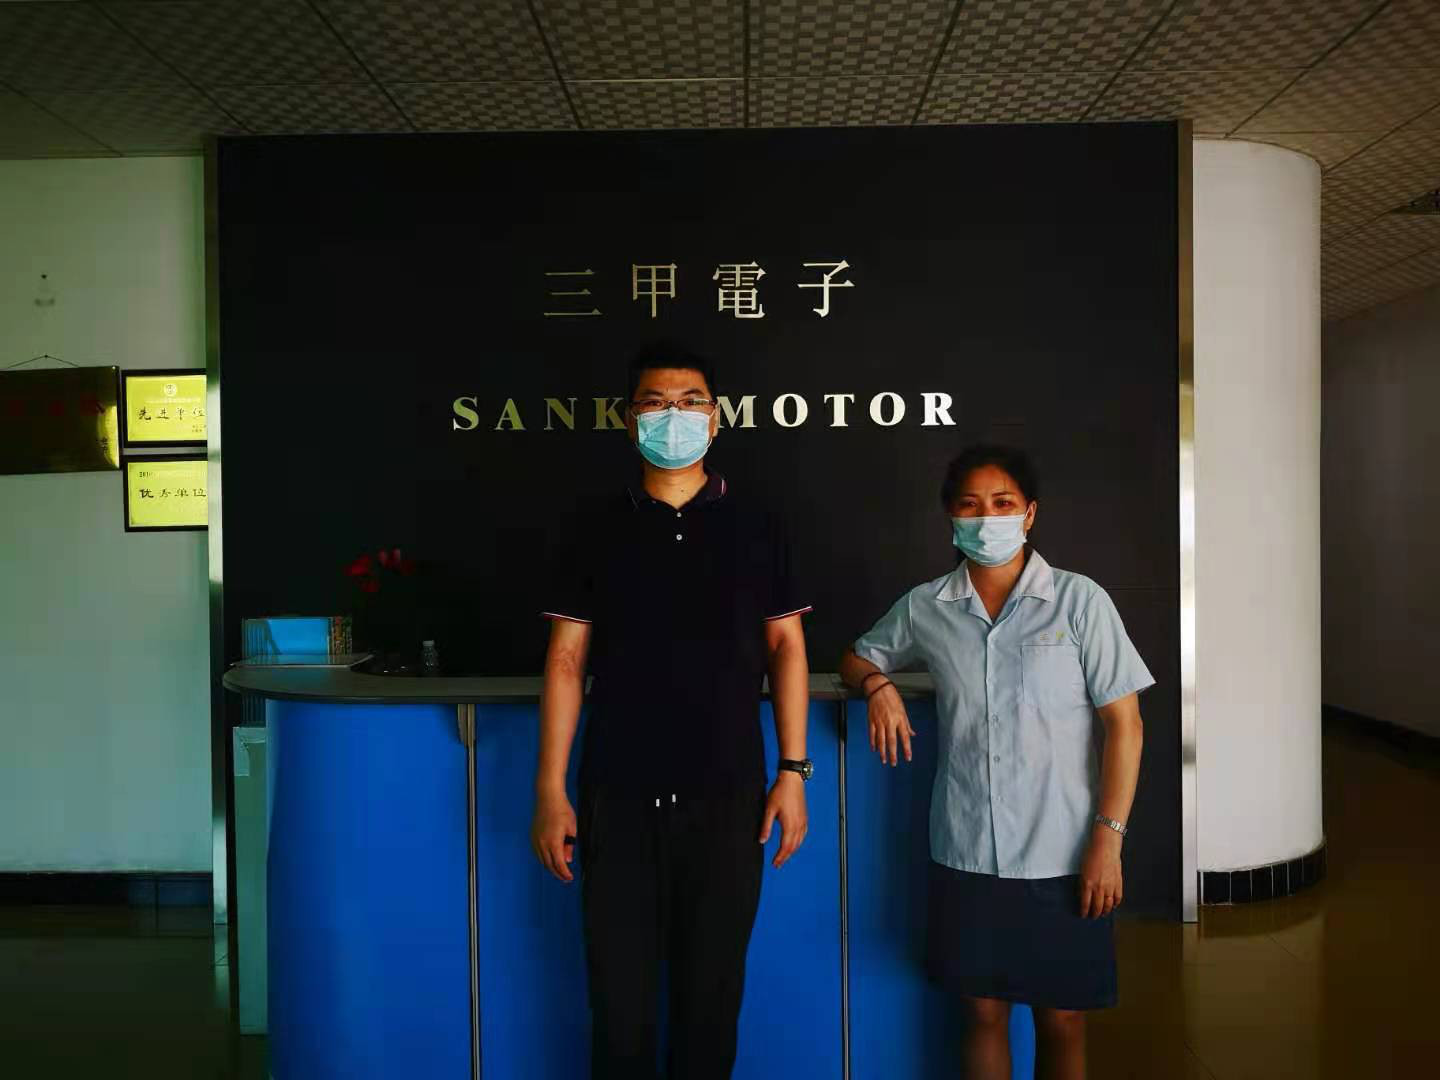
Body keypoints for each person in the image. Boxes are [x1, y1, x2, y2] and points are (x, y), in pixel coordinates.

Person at [531, 343, 814, 1079]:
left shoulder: (759, 524)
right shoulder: (593, 525)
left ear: (715, 419)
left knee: (711, 1006)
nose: (673, 415)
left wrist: (792, 771)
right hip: (615, 796)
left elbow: (787, 647)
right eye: (655, 402)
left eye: (690, 401)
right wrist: (550, 789)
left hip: (729, 796)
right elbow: (566, 661)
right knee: (620, 1009)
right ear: (630, 420)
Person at [839, 444, 1151, 1080]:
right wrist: (877, 686)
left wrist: (1108, 840)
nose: (988, 519)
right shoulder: (928, 606)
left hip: (1064, 851)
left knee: (1063, 1018)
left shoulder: (1079, 601)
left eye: (1003, 503)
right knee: (981, 1013)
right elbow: (858, 657)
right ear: (951, 518)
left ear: (1029, 513)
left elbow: (1126, 726)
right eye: (971, 506)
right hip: (967, 848)